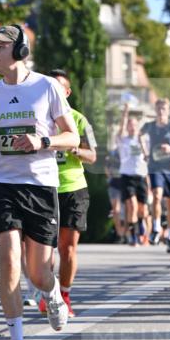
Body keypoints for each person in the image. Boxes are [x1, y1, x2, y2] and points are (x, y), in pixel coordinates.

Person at [0, 25, 79, 340]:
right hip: (3, 186)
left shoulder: (46, 87)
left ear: (20, 50)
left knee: (37, 274)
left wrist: (41, 142)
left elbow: (71, 136)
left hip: (41, 188)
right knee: (9, 264)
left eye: (1, 45)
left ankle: (52, 292)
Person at [49, 68, 97, 318]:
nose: (55, 92)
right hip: (45, 188)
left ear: (67, 92)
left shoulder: (80, 120)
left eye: (60, 88)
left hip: (74, 189)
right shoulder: (39, 118)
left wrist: (75, 150)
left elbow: (92, 156)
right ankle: (48, 292)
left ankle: (65, 296)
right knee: (45, 248)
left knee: (67, 248)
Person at [140, 97, 170, 253]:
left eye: (164, 109)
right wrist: (145, 152)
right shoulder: (150, 126)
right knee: (156, 195)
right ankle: (155, 228)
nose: (161, 112)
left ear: (169, 111)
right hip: (155, 165)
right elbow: (139, 135)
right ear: (155, 110)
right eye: (159, 109)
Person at [117, 103, 149, 247]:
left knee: (142, 209)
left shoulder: (143, 139)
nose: (131, 127)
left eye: (134, 124)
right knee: (132, 206)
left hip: (140, 176)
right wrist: (125, 112)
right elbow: (121, 127)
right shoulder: (122, 140)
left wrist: (142, 143)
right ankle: (133, 236)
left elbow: (147, 157)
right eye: (129, 124)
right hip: (127, 176)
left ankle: (140, 223)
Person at [105, 146, 125, 243]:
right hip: (114, 185)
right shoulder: (112, 153)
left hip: (126, 184)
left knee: (127, 210)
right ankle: (119, 234)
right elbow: (106, 167)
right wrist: (109, 177)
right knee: (116, 210)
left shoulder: (128, 150)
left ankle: (127, 233)